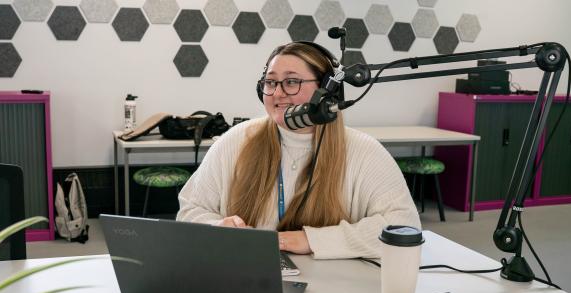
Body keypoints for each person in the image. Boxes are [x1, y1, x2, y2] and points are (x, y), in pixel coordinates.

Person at [176, 42, 420, 259]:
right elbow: (190, 211)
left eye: (291, 81)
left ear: (327, 90)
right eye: (271, 82)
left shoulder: (364, 152)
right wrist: (217, 225)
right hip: (248, 276)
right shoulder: (235, 141)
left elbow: (403, 225)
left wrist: (312, 240)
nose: (278, 93)